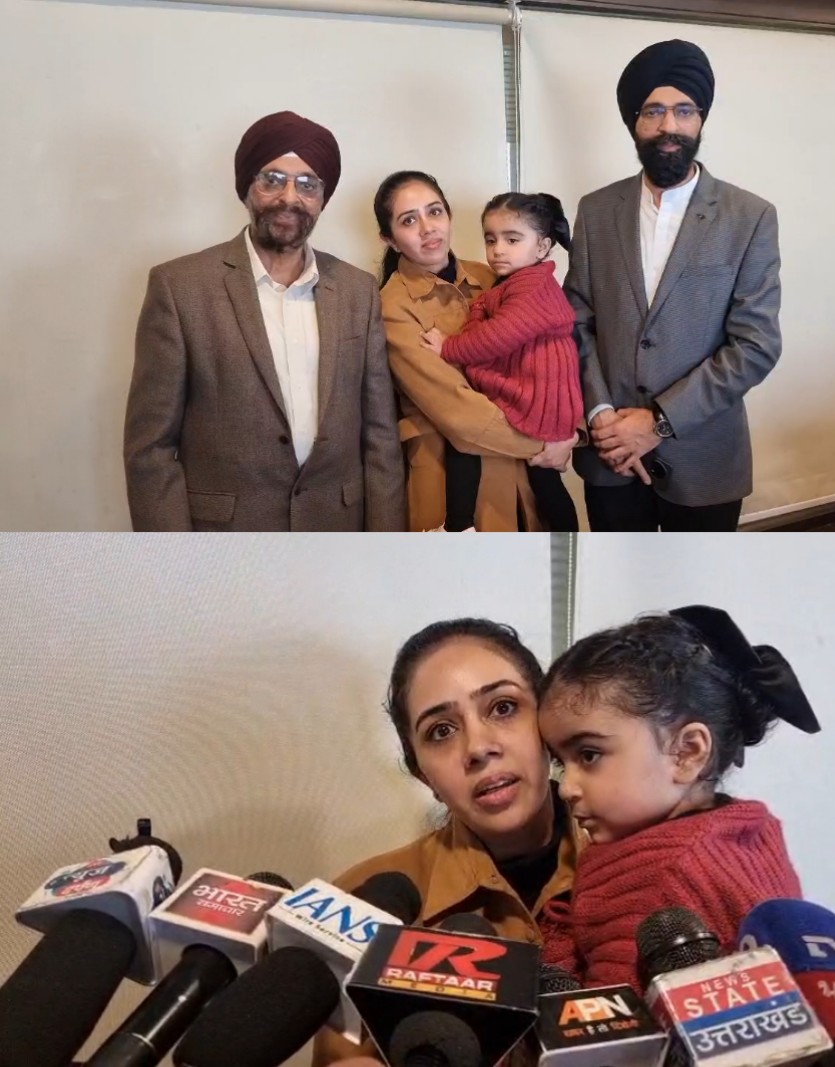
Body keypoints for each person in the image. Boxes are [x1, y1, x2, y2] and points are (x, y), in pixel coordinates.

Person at [311, 617, 580, 1065]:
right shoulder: (358, 902)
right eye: (441, 731)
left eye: (503, 707)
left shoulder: (655, 861)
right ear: (424, 776)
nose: (478, 748)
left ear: (547, 726)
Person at [124, 111, 405, 531]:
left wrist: (385, 547)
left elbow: (381, 436)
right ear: (246, 188)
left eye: (307, 184)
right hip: (225, 540)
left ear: (322, 198)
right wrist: (173, 557)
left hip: (337, 532)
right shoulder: (179, 288)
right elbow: (150, 450)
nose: (289, 197)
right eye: (272, 180)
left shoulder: (357, 290)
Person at [537, 605, 821, 992]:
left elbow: (610, 1019)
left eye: (589, 755)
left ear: (687, 753)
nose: (566, 787)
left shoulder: (660, 875)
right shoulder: (745, 834)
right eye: (560, 762)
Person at [566, 40, 782, 531]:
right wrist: (600, 413)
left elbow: (756, 345)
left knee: (697, 576)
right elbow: (576, 321)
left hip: (704, 459)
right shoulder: (596, 211)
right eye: (654, 111)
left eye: (685, 110)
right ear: (634, 121)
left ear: (701, 119)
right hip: (610, 455)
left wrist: (658, 421)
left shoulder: (749, 217)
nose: (669, 125)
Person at [374, 172, 578, 531]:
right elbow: (456, 410)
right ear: (389, 239)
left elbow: (552, 355)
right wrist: (548, 444)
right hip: (452, 484)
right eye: (408, 220)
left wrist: (572, 431)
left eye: (434, 211)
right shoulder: (392, 306)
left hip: (521, 478)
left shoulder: (493, 276)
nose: (427, 228)